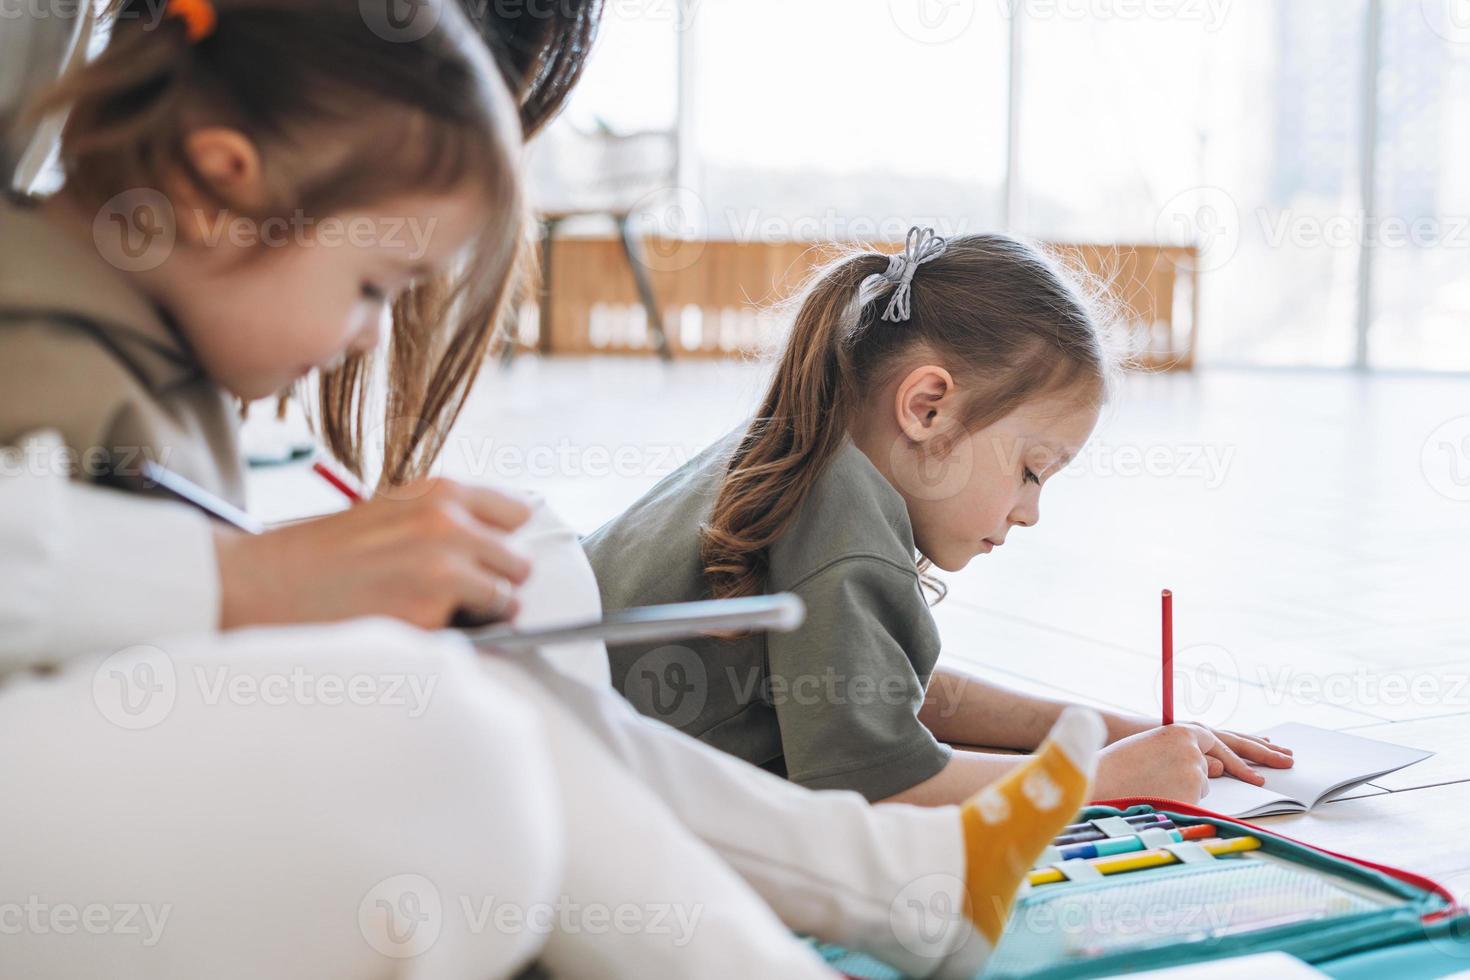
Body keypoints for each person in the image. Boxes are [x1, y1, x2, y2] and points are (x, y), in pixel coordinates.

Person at [0, 3, 1103, 976]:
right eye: (371, 284)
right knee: (459, 719)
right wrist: (254, 583)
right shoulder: (54, 354)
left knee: (495, 613)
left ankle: (906, 885)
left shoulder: (131, 343)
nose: (373, 334)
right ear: (220, 183)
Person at [585, 228, 1296, 806]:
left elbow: (881, 694)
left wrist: (1110, 731)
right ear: (928, 407)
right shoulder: (841, 520)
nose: (1030, 513)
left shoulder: (802, 450)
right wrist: (1101, 778)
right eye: (1030, 471)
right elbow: (877, 785)